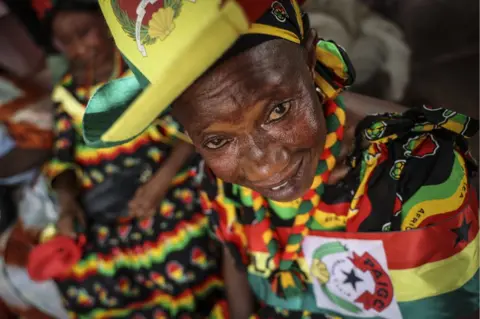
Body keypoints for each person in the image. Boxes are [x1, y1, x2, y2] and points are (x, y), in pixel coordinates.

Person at [83, 0, 479, 318]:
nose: (265, 167)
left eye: (277, 110)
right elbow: (237, 257)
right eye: (218, 139)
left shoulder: (415, 180)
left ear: (310, 59)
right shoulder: (219, 178)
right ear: (190, 135)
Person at [28, 1, 227, 318]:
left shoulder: (140, 72)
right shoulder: (66, 94)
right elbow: (62, 160)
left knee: (178, 260)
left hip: (164, 187)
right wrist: (67, 204)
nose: (78, 47)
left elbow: (188, 134)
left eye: (85, 32)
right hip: (103, 209)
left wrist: (157, 186)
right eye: (67, 41)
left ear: (107, 28)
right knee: (84, 281)